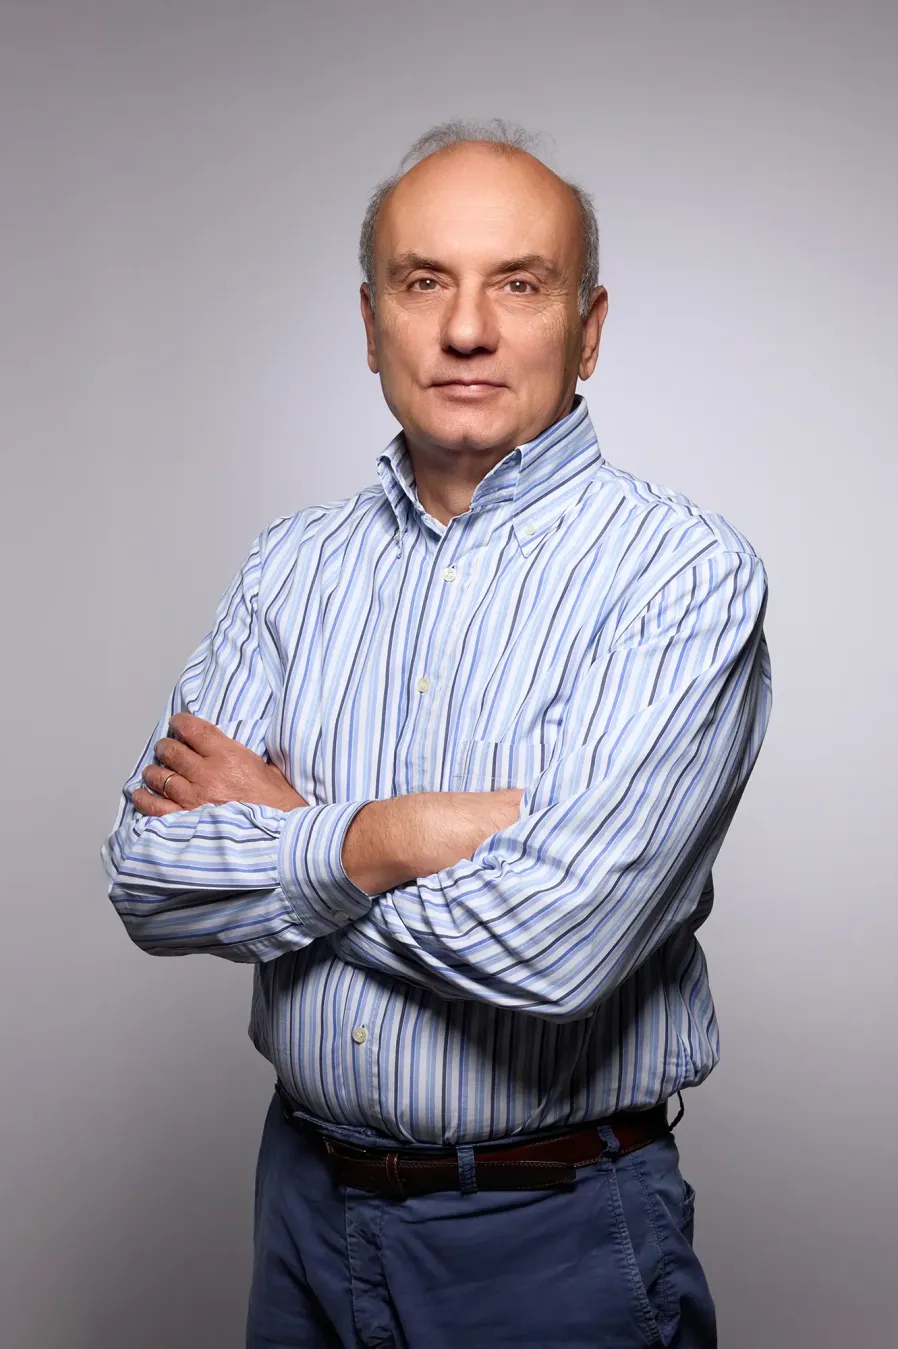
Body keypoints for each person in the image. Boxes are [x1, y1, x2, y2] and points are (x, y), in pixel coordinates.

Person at [103, 119, 771, 1348]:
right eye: (425, 283)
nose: (467, 328)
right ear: (372, 325)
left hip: (553, 1237)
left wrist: (289, 837)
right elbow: (147, 874)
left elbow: (557, 945)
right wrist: (388, 836)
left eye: (519, 284)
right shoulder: (291, 566)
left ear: (589, 327)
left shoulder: (681, 576)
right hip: (302, 1210)